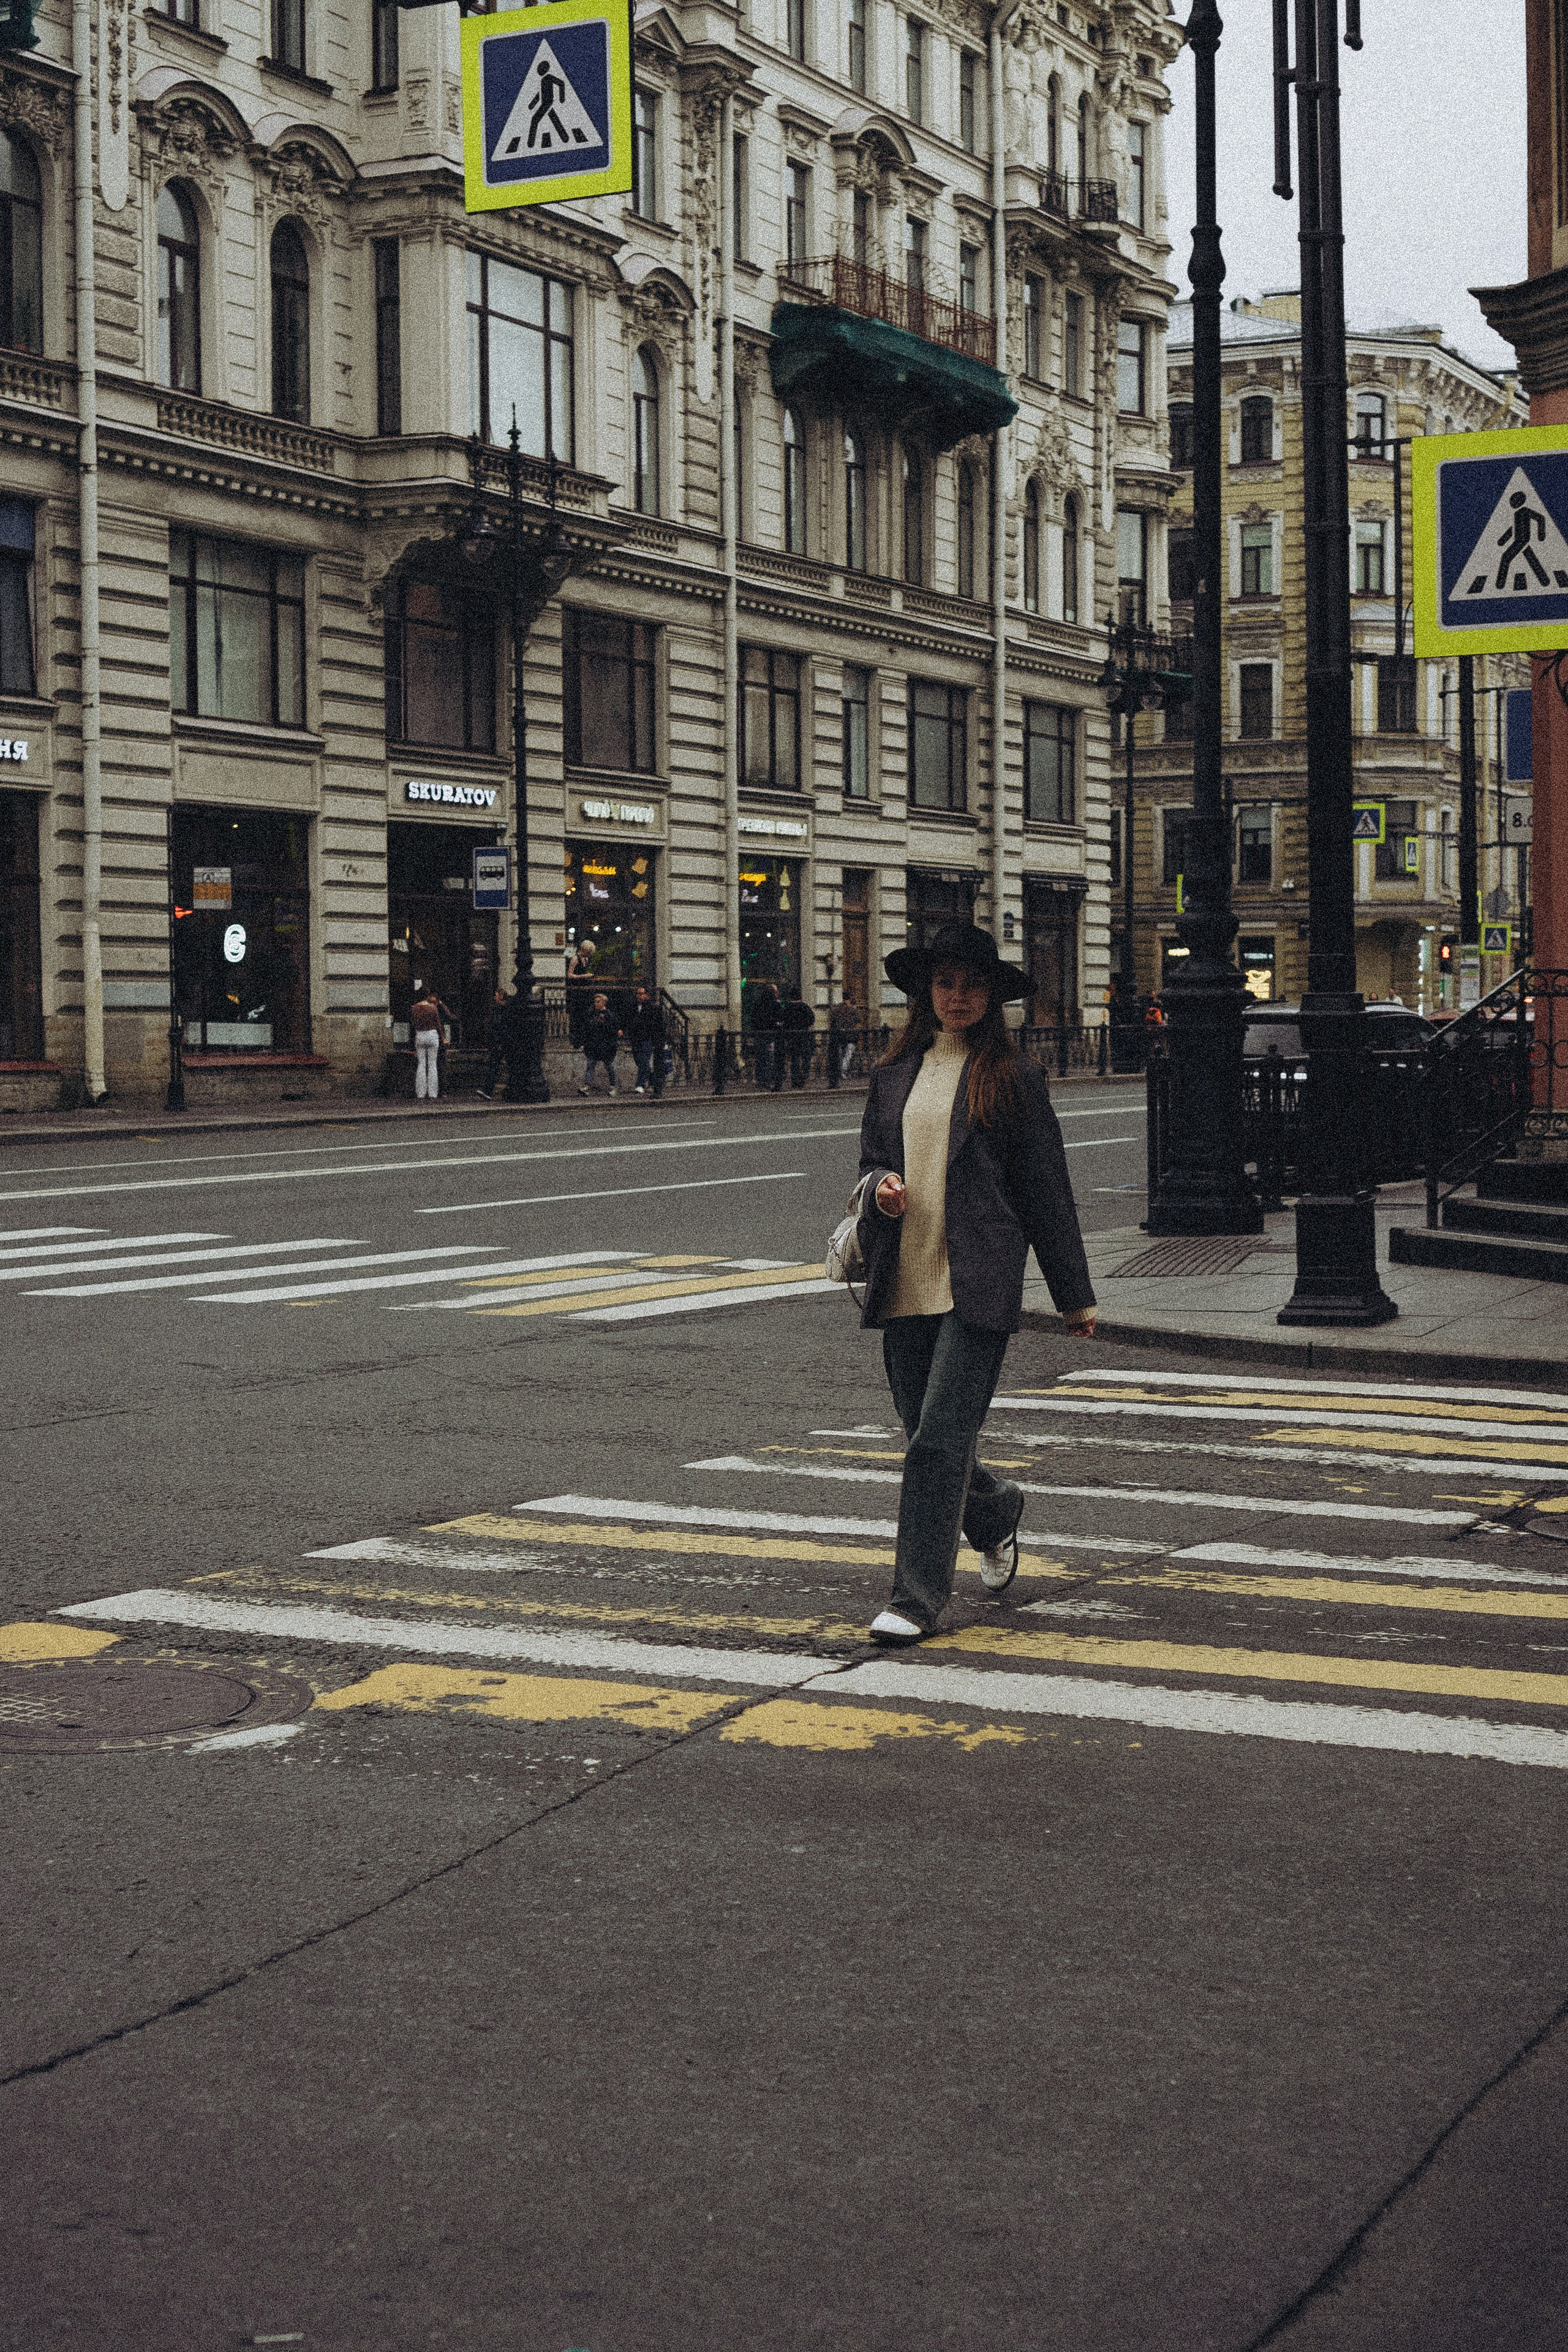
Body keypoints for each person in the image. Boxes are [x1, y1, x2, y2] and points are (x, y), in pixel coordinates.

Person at [853, 922, 1098, 1646]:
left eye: (971, 985)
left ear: (991, 998)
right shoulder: (892, 1074)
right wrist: (882, 1186)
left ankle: (915, 1601)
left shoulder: (1013, 1076)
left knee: (937, 1442)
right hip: (905, 1273)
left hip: (978, 1278)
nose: (957, 996)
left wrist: (1072, 1295)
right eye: (945, 983)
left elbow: (1045, 1189)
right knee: (927, 1434)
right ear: (925, 993)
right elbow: (869, 1163)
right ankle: (994, 1511)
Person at [409, 983, 451, 1103]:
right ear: (427, 996)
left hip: (420, 1034)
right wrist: (443, 1038)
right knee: (432, 1064)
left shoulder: (414, 1008)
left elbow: (413, 1024)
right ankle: (433, 1093)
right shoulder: (432, 1008)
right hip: (432, 1035)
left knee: (421, 1064)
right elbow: (438, 1024)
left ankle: (421, 1093)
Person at [625, 984, 665, 1096]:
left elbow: (659, 1025)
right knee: (640, 1062)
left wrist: (659, 1039)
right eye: (638, 994)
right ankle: (653, 1081)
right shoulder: (633, 1007)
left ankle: (640, 1085)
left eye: (641, 994)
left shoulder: (653, 1008)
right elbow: (628, 1021)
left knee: (644, 1061)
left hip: (648, 1039)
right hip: (635, 1039)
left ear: (647, 996)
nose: (639, 996)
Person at [579, 991, 622, 1094]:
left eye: (598, 1002)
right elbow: (588, 1028)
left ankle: (613, 1086)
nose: (596, 1004)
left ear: (604, 1003)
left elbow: (614, 1030)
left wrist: (605, 1024)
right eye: (595, 1002)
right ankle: (587, 1086)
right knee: (591, 1064)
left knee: (608, 1065)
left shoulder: (609, 1015)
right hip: (594, 1044)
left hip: (606, 1045)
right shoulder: (592, 1013)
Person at [477, 987, 512, 1101]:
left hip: (502, 1043)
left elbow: (500, 1027)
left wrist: (499, 1042)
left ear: (501, 996)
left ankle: (488, 1090)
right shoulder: (500, 1009)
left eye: (496, 995)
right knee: (495, 1066)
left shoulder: (503, 1010)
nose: (494, 997)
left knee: (497, 1066)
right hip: (500, 1042)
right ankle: (487, 1090)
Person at [748, 979, 780, 1090]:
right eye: (776, 991)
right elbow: (778, 1018)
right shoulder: (775, 1003)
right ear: (773, 993)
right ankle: (768, 1081)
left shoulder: (758, 1002)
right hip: (770, 1035)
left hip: (759, 1034)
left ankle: (760, 1080)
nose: (778, 993)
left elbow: (754, 1019)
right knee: (769, 1058)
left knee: (760, 1058)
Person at [779, 991, 815, 1088]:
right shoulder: (805, 1007)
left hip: (791, 1037)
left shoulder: (787, 1008)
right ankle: (804, 1075)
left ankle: (795, 1079)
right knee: (806, 1057)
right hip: (804, 1036)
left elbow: (783, 1021)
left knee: (795, 1059)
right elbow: (811, 1020)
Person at [828, 997, 860, 1081]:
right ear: (850, 1000)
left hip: (839, 1034)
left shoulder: (836, 1009)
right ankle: (844, 1070)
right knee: (849, 1052)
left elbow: (832, 1020)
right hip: (850, 1034)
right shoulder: (852, 1009)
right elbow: (858, 1019)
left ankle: (838, 1071)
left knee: (840, 1052)